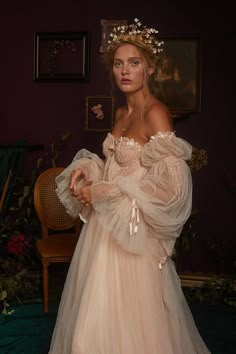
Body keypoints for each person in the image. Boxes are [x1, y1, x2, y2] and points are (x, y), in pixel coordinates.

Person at [48, 18, 211, 354]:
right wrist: (87, 172)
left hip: (134, 236)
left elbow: (172, 190)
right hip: (104, 232)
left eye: (134, 63)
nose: (125, 71)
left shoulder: (156, 113)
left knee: (137, 329)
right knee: (89, 331)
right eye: (119, 64)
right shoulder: (121, 113)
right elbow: (117, 168)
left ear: (149, 68)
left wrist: (106, 194)